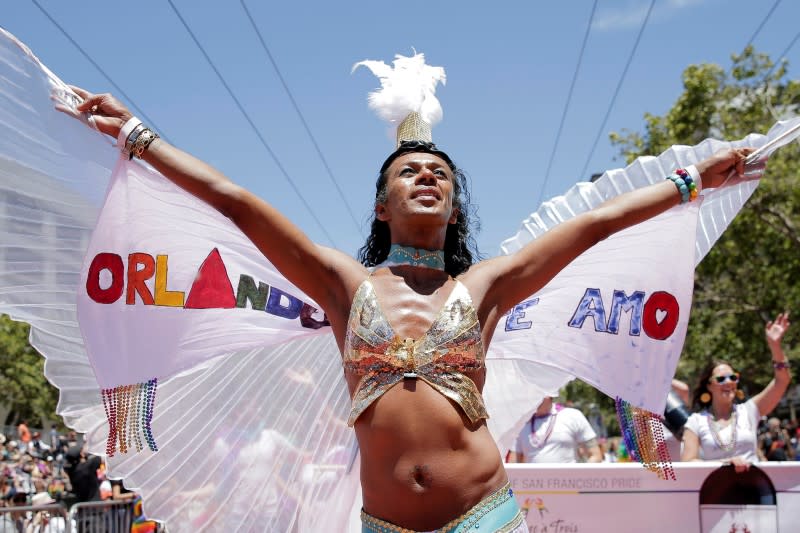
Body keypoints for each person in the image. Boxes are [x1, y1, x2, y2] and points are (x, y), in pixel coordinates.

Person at [59, 84, 754, 533]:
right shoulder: (340, 283)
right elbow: (236, 202)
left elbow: (596, 226)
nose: (428, 176)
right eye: (410, 172)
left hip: (488, 516)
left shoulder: (482, 287)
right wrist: (138, 139)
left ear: (454, 212)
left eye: (442, 176)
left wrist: (690, 182)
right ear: (382, 205)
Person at [682, 312, 792, 472]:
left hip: (756, 491)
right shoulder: (696, 421)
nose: (728, 382)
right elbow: (687, 462)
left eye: (733, 377)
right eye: (721, 379)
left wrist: (775, 346)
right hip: (717, 493)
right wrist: (725, 464)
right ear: (709, 386)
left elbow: (782, 381)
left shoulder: (749, 411)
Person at [507, 397, 602, 463]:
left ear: (549, 394)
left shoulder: (573, 416)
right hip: (532, 489)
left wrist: (580, 479)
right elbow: (513, 462)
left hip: (569, 488)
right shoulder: (522, 423)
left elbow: (595, 455)